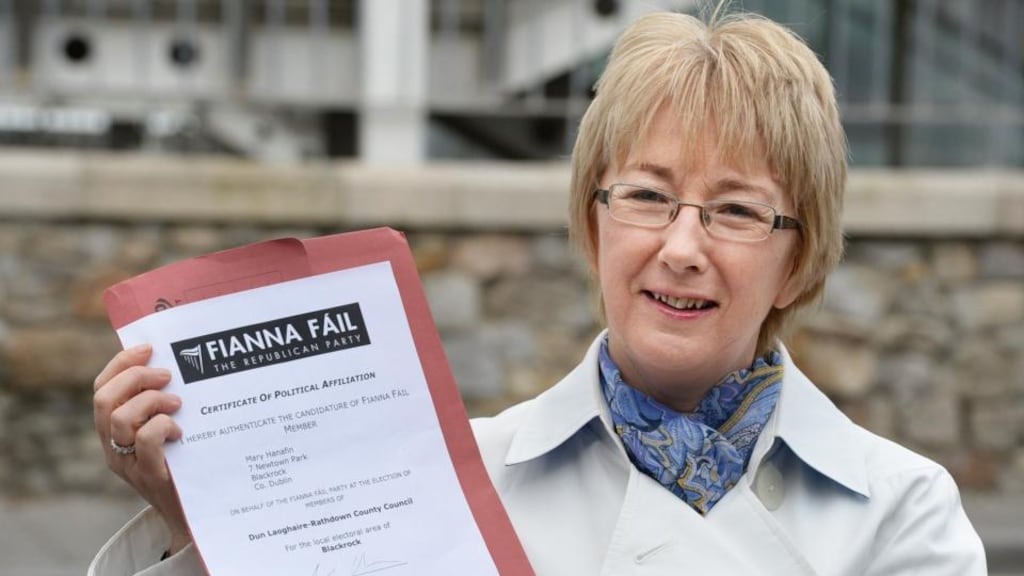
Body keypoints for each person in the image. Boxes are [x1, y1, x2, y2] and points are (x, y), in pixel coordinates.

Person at [89, 8, 986, 576]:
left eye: (737, 211)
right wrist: (199, 525)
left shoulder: (905, 511)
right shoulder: (449, 480)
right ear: (594, 223)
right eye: (645, 196)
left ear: (800, 258)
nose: (680, 247)